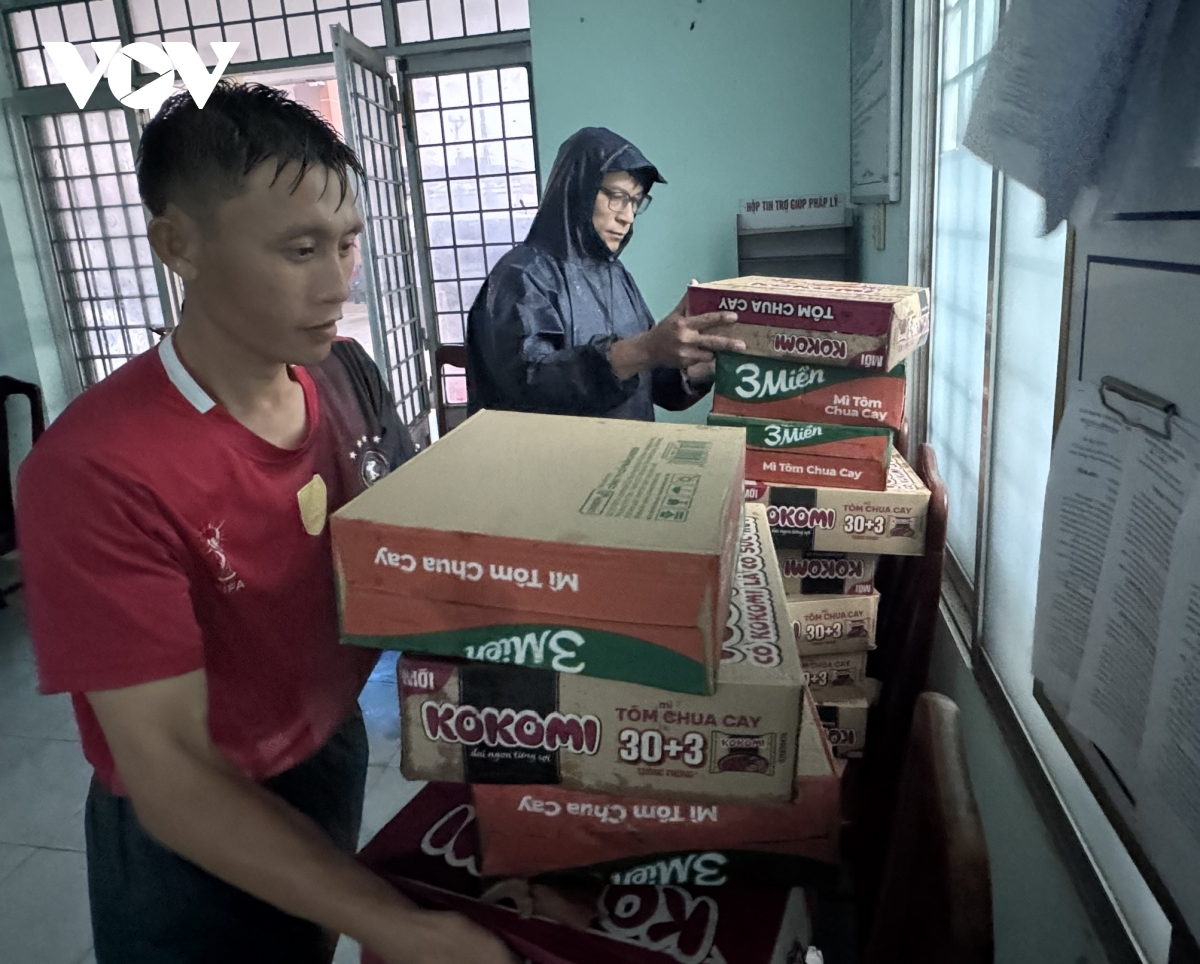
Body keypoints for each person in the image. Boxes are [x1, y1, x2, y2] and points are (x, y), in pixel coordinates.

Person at [16, 83, 515, 964]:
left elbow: (403, 558)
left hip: (328, 747)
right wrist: (396, 925)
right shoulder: (97, 468)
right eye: (300, 249)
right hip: (192, 830)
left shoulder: (344, 376)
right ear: (178, 244)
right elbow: (170, 771)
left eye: (347, 242)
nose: (338, 282)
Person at [466, 126, 745, 419]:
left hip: (626, 447)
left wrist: (705, 360)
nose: (627, 216)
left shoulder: (616, 276)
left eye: (635, 201)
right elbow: (529, 387)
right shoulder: (521, 276)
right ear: (577, 191)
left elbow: (652, 382)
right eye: (616, 196)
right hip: (553, 450)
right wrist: (645, 349)